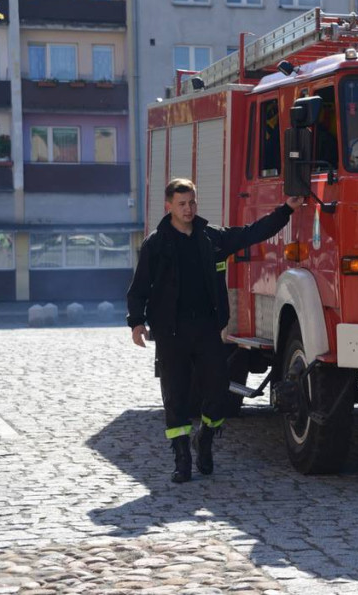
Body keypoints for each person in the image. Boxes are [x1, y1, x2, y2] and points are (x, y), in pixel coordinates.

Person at [127, 178, 302, 483]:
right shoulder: (156, 244)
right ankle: (182, 459)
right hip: (171, 331)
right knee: (176, 396)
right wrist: (136, 322)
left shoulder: (211, 238)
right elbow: (139, 286)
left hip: (207, 328)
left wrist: (285, 210)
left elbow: (252, 234)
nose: (188, 209)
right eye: (182, 204)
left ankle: (205, 439)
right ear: (169, 206)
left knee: (219, 393)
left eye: (192, 202)